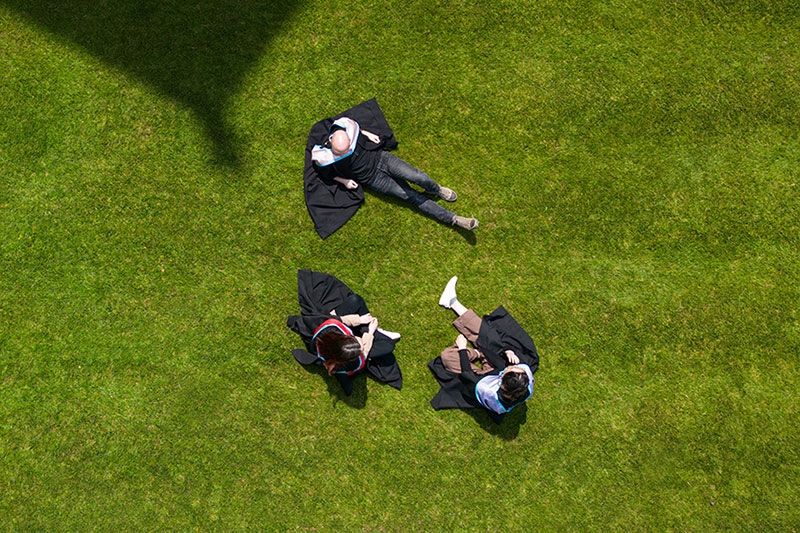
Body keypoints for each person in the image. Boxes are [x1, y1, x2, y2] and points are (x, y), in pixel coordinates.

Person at [309, 106, 478, 232]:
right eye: (343, 152)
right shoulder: (324, 157)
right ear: (331, 142)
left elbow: (357, 130)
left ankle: (436, 189)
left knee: (418, 176)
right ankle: (454, 219)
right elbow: (326, 175)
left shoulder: (345, 127)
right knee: (410, 196)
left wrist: (367, 134)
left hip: (382, 159)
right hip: (373, 179)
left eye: (349, 147)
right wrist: (345, 181)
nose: (348, 152)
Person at [428, 276, 539, 423]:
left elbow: (467, 375)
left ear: (502, 382)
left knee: (448, 356)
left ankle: (475, 353)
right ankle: (452, 302)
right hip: (495, 370)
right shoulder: (526, 381)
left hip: (479, 378)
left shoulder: (487, 391)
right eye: (515, 368)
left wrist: (462, 349)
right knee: (491, 338)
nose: (511, 366)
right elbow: (511, 365)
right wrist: (509, 351)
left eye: (509, 370)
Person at [287, 270, 403, 395]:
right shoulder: (353, 364)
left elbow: (338, 319)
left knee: (355, 300)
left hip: (338, 324)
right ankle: (375, 330)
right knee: (388, 345)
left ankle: (369, 327)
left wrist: (359, 320)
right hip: (353, 341)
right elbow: (364, 353)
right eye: (360, 345)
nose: (361, 341)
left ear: (343, 337)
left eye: (357, 340)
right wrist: (370, 333)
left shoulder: (330, 328)